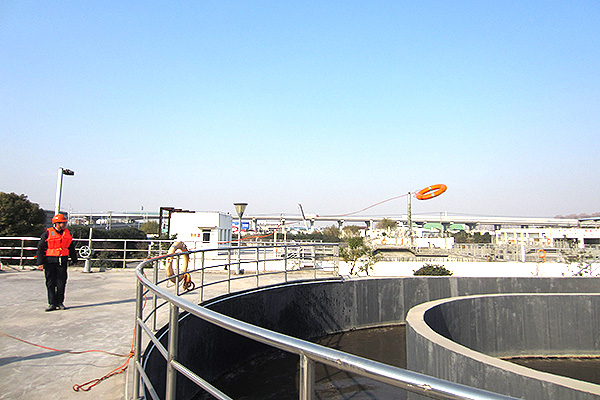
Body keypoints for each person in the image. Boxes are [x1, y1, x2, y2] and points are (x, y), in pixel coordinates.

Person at [36, 214, 78, 311]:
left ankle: (60, 302)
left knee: (61, 283)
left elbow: (71, 248)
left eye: (65, 223)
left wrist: (75, 260)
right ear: (57, 224)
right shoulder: (47, 234)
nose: (64, 225)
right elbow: (40, 249)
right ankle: (52, 303)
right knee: (50, 283)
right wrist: (40, 263)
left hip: (62, 261)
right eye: (63, 223)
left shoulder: (67, 234)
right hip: (50, 262)